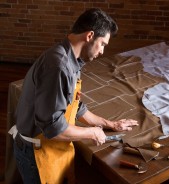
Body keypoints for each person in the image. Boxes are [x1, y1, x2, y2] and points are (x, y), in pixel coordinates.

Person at [9, 8, 138, 184]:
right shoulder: (58, 66)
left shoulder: (72, 60)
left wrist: (111, 124)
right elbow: (53, 128)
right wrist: (91, 132)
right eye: (103, 44)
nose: (102, 51)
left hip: (52, 149)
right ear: (90, 35)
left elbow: (75, 105)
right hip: (36, 153)